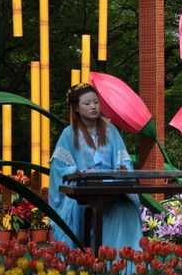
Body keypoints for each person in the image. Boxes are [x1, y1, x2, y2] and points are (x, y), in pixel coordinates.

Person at [48, 83, 143, 252]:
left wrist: (122, 169)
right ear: (76, 108)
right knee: (80, 209)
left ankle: (125, 263)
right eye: (87, 103)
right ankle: (93, 259)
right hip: (83, 192)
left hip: (111, 188)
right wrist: (81, 173)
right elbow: (60, 168)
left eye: (96, 102)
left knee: (126, 209)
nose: (93, 106)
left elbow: (124, 160)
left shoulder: (111, 130)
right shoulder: (69, 134)